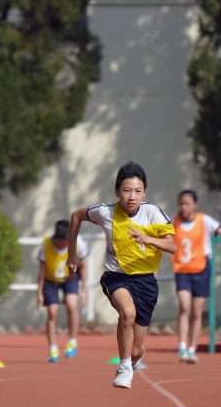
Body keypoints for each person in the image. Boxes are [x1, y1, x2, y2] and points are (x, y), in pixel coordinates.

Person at [67, 161, 176, 389]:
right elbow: (76, 216)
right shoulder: (105, 212)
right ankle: (124, 368)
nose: (131, 196)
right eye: (126, 190)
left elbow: (172, 246)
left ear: (144, 192)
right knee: (127, 313)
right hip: (116, 277)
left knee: (136, 349)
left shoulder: (153, 213)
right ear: (117, 191)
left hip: (146, 282)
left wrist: (148, 239)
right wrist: (72, 254)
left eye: (137, 191)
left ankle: (132, 358)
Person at [172, 189, 221, 363]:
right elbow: (160, 240)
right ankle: (182, 347)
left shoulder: (204, 221)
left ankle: (192, 349)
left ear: (195, 205)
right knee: (184, 306)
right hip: (182, 270)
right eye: (181, 204)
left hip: (201, 268)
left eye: (187, 204)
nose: (184, 207)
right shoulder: (173, 223)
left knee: (196, 310)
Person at [37, 219, 89, 362]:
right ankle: (53, 349)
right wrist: (39, 293)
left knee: (72, 305)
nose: (62, 245)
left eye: (65, 242)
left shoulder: (78, 242)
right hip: (50, 280)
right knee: (52, 312)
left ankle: (72, 341)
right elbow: (41, 270)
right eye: (60, 242)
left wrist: (84, 290)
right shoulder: (46, 245)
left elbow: (83, 267)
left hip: (70, 278)